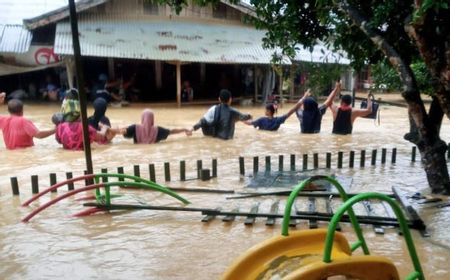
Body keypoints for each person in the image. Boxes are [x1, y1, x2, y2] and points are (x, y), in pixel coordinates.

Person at [107, 109, 191, 144]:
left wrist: (107, 129)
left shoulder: (135, 127)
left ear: (142, 118)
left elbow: (121, 132)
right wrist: (185, 129)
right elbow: (171, 131)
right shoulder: (158, 130)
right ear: (152, 119)